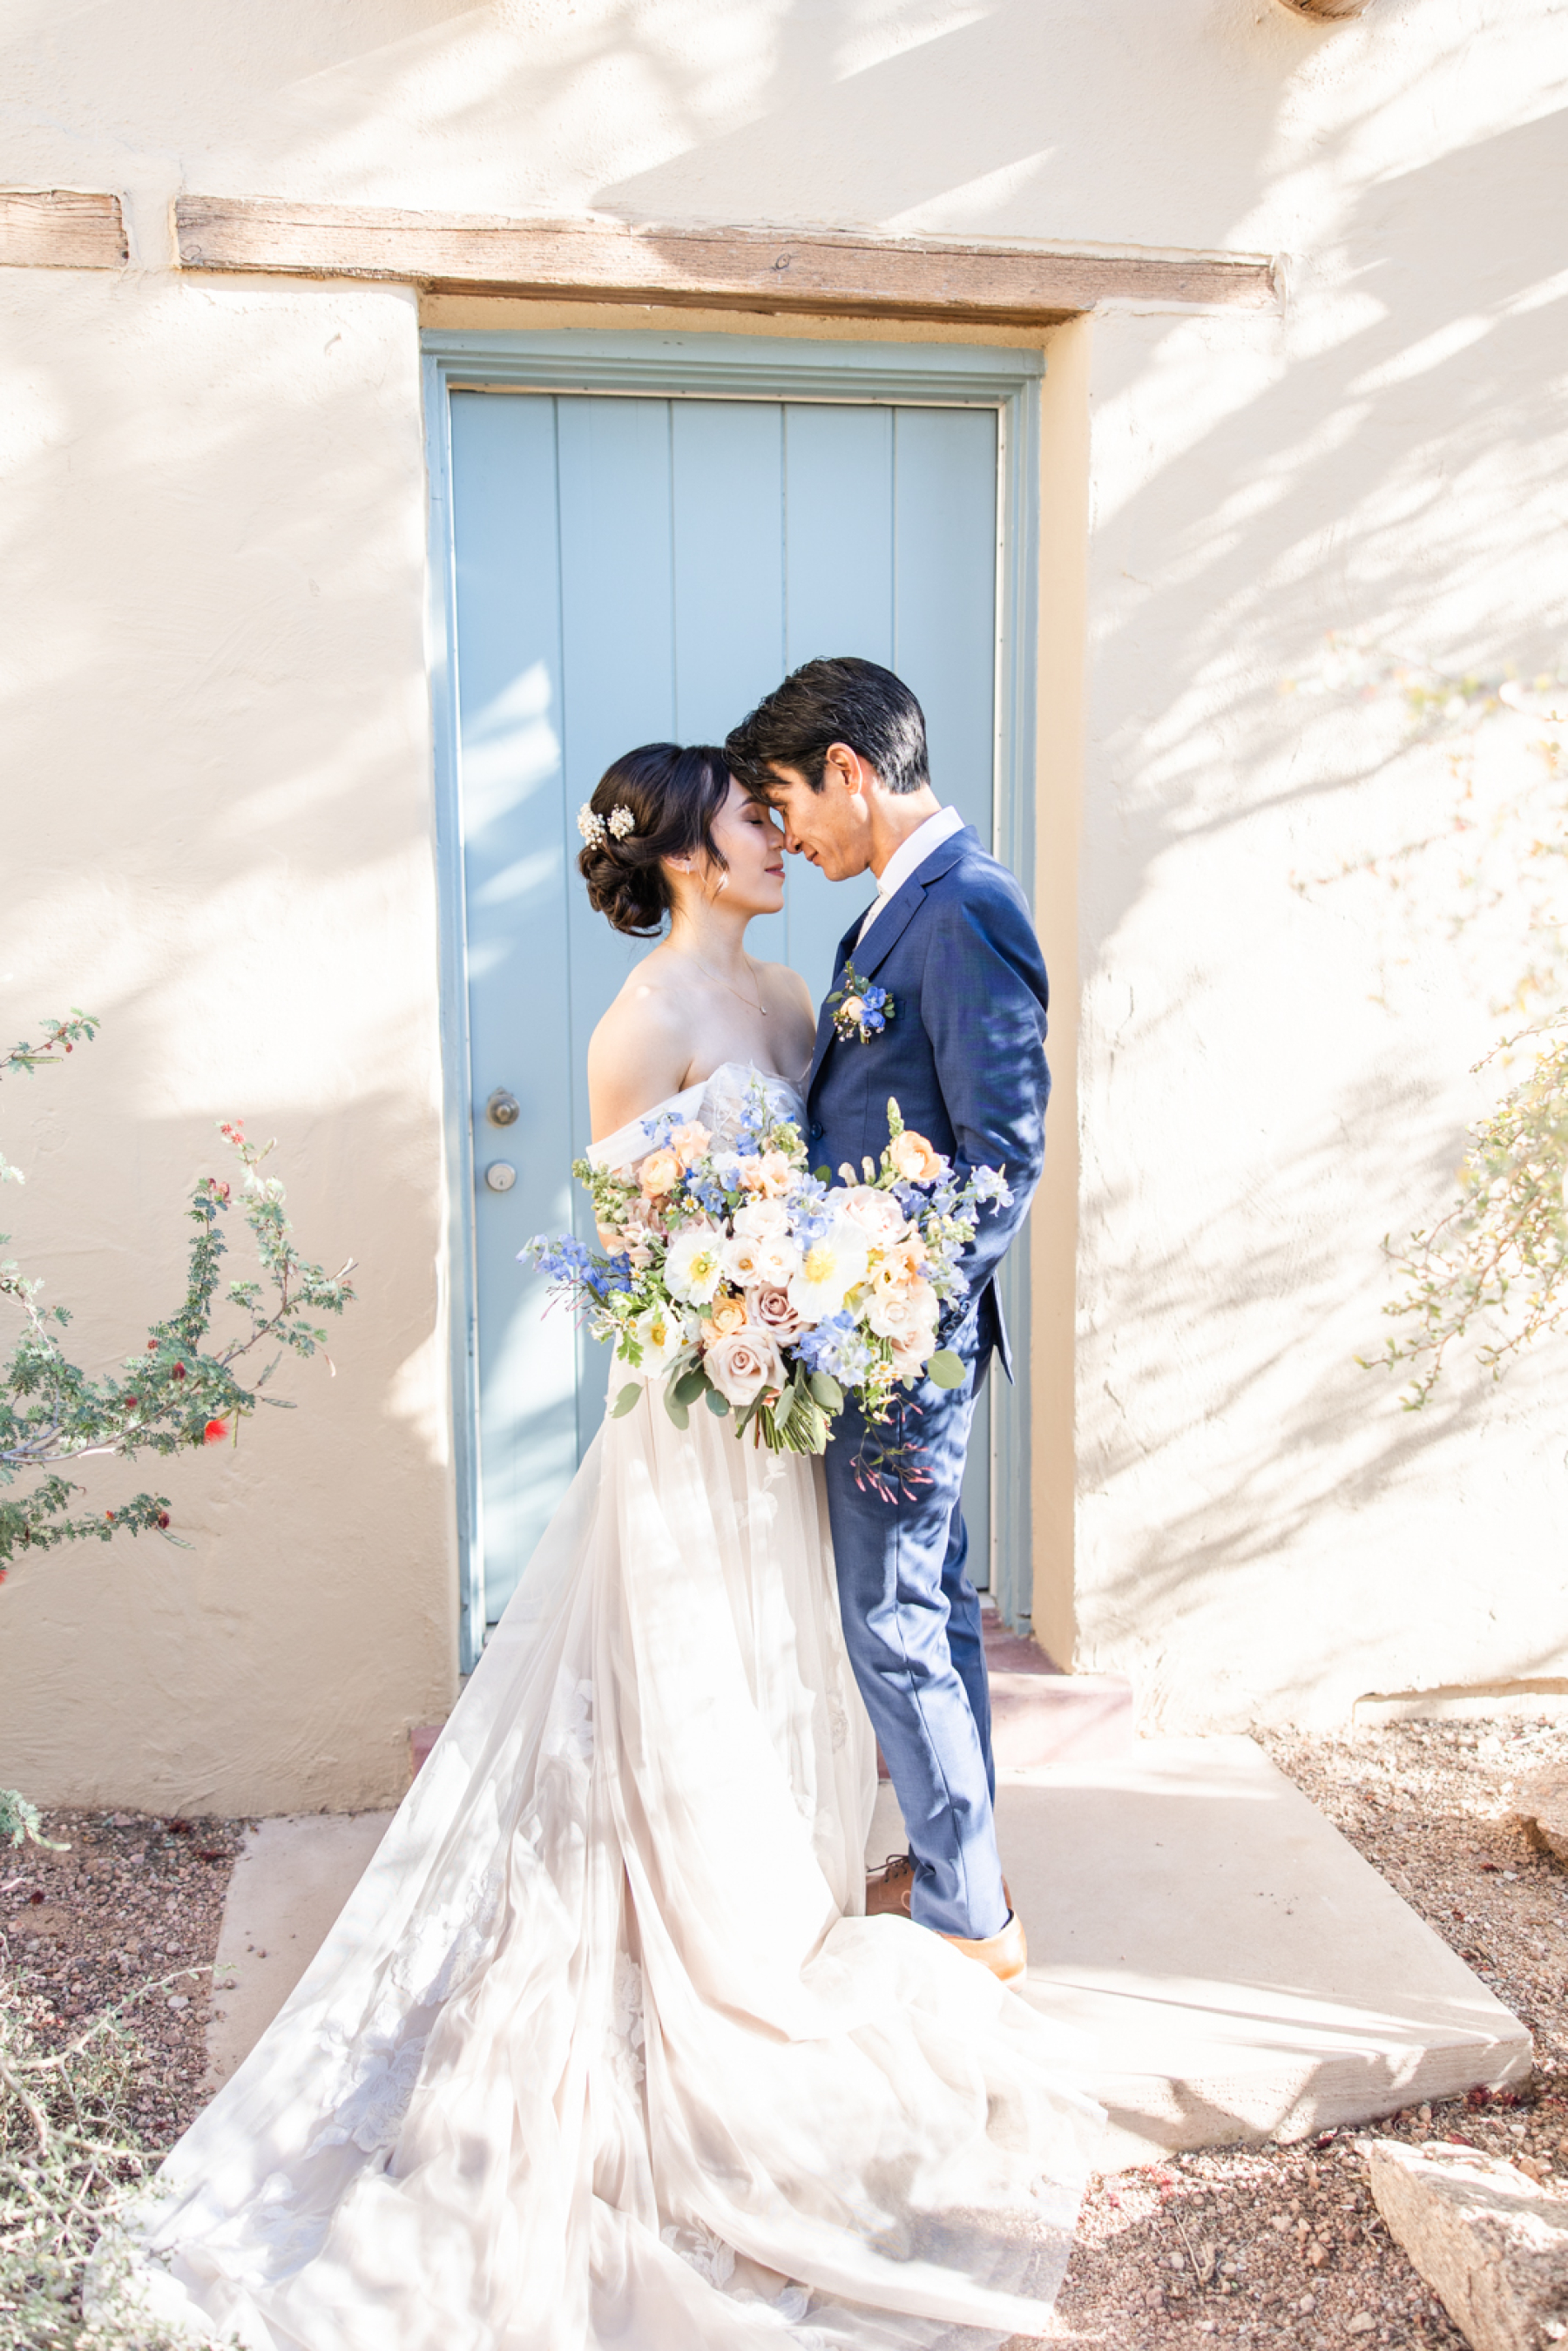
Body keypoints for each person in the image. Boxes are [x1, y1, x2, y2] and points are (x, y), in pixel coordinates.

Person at [101, 743, 1099, 2351]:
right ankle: (685, 1943)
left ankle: (792, 1901)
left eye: (782, 813)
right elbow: (632, 1257)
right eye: (750, 820)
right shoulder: (638, 1028)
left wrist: (823, 1301)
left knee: (809, 1658)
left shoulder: (801, 995)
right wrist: (732, 1308)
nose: (779, 835)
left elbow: (853, 1176)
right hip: (694, 1417)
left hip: (797, 1402)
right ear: (688, 855)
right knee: (685, 1684)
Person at [726, 661, 1049, 1981]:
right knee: (927, 1610)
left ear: (850, 769)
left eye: (788, 800)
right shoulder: (885, 918)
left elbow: (1004, 1156)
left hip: (894, 1345)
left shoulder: (964, 908)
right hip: (867, 1332)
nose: (786, 834)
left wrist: (887, 1316)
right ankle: (958, 1861)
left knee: (894, 1621)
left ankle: (968, 1925)